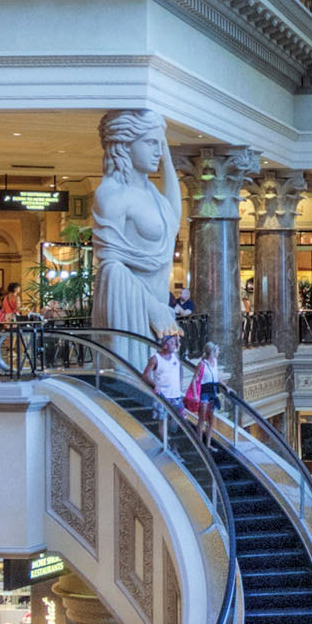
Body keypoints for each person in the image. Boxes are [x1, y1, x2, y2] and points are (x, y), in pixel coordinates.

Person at [89, 110, 183, 368]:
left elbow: (174, 218)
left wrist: (168, 162)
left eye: (160, 145)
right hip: (132, 311)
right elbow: (111, 266)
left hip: (156, 305)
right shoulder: (111, 195)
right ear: (125, 146)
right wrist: (150, 306)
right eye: (151, 143)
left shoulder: (152, 193)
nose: (159, 152)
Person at [144, 332, 187, 428]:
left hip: (176, 396)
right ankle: (164, 441)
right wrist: (155, 385)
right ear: (165, 345)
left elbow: (180, 368)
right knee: (162, 422)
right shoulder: (155, 359)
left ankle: (172, 438)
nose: (174, 345)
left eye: (174, 343)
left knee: (181, 420)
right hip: (162, 396)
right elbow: (145, 375)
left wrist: (180, 383)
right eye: (171, 343)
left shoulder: (175, 356)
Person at [190, 340, 225, 443]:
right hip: (204, 393)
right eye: (217, 350)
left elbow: (216, 378)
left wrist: (226, 387)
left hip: (213, 392)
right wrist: (196, 395)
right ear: (213, 351)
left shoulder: (215, 362)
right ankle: (199, 443)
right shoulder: (202, 364)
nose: (219, 352)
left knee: (211, 420)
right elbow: (194, 379)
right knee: (202, 419)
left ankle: (208, 444)